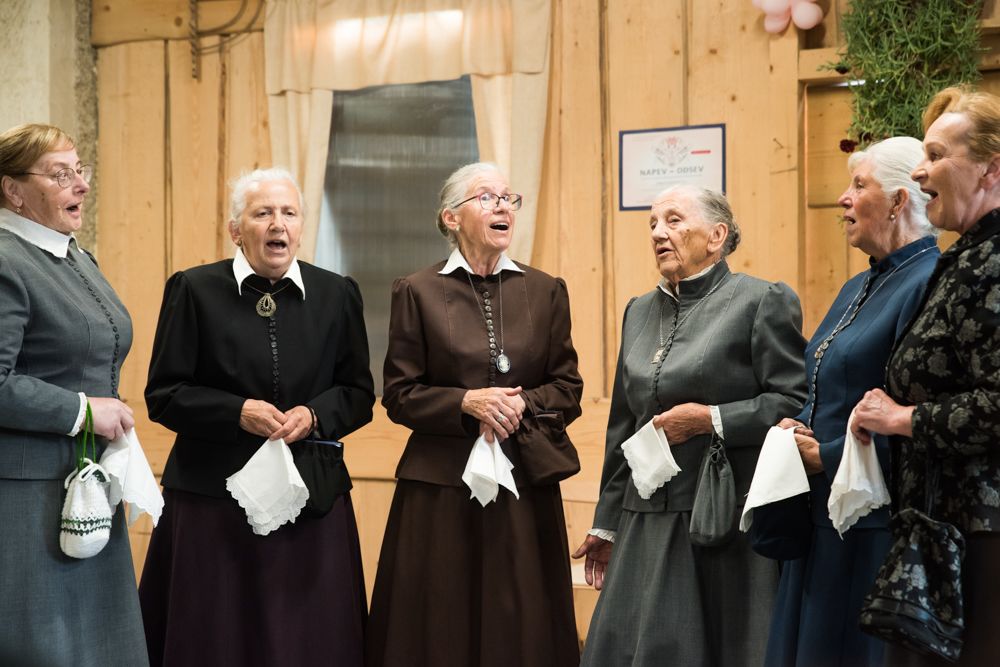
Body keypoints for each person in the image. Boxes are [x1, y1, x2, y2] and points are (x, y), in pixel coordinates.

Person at [139, 168, 375, 667]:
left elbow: (358, 394)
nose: (277, 224)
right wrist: (237, 412)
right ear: (236, 230)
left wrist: (314, 414)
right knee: (216, 638)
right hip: (211, 501)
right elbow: (164, 395)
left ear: (301, 226)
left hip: (309, 499)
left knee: (306, 642)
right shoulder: (193, 289)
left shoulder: (337, 293)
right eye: (262, 213)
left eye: (289, 213)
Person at [575, 184, 807, 667]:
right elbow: (624, 425)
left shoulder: (760, 300)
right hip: (644, 517)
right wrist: (607, 523)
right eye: (653, 223)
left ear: (716, 235)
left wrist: (711, 420)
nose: (658, 233)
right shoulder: (639, 310)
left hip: (721, 520)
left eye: (674, 220)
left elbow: (793, 400)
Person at [365, 162, 583, 667]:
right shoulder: (416, 290)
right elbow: (399, 394)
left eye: (509, 197)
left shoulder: (546, 290)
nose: (503, 206)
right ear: (451, 217)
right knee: (440, 620)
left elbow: (568, 388)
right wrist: (465, 403)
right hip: (440, 487)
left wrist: (520, 403)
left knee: (521, 622)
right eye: (486, 197)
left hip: (523, 483)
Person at [762, 137, 939, 667]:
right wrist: (796, 426)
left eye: (859, 186)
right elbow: (826, 381)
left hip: (873, 521)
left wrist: (828, 455)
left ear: (899, 201)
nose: (843, 198)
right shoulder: (858, 283)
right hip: (823, 513)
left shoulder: (926, 281)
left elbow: (915, 411)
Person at [852, 86, 1000, 666]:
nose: (919, 171)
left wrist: (902, 419)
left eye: (936, 155)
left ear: (990, 169)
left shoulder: (994, 260)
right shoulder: (967, 255)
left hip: (982, 540)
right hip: (946, 529)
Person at [0, 123, 147, 665]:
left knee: (98, 646)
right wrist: (82, 410)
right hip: (26, 494)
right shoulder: (6, 259)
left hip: (84, 481)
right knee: (43, 647)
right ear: (13, 190)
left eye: (79, 170)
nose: (81, 185)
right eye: (60, 175)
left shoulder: (76, 257)